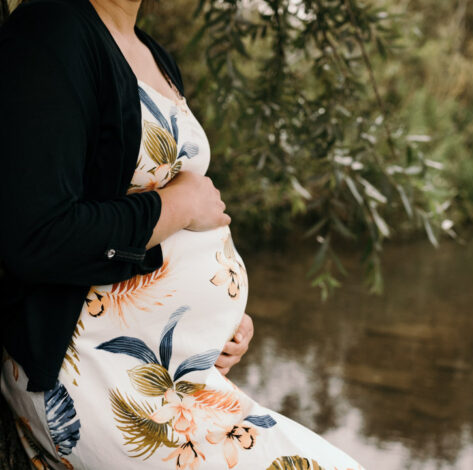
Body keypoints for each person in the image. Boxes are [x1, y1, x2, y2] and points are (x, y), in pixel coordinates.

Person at [0, 0, 364, 468]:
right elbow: (39, 237)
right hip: (95, 373)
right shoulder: (51, 31)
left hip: (171, 370)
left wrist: (210, 329)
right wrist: (179, 204)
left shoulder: (148, 50)